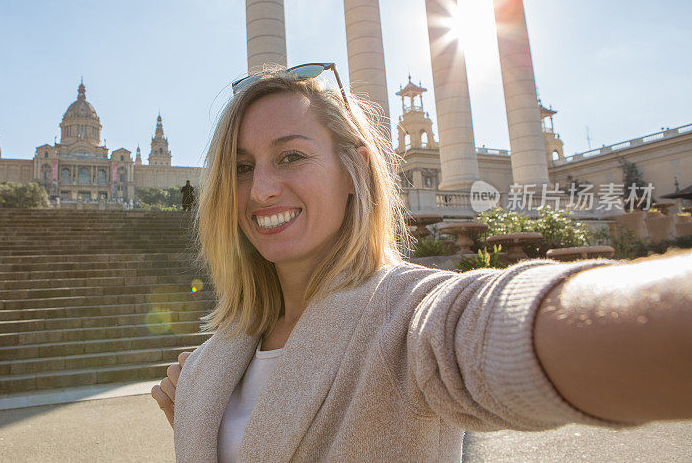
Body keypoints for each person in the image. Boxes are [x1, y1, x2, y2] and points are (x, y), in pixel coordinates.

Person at [152, 63, 692, 462]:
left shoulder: (409, 318)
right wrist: (205, 421)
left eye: (291, 156)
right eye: (242, 167)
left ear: (356, 172)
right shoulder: (211, 367)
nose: (262, 190)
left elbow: (492, 327)